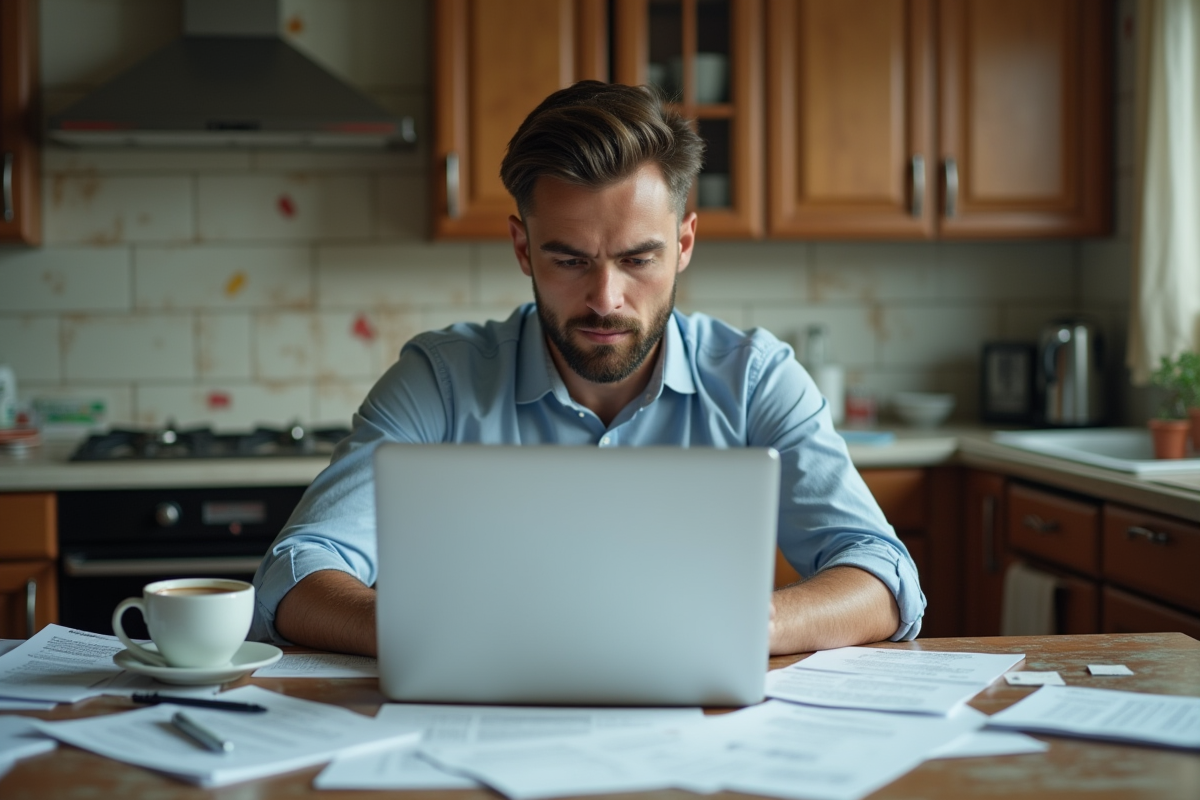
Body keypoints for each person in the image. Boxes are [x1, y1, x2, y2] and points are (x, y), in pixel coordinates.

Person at [251, 81, 924, 657]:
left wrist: (749, 623)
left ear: (684, 243)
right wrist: (432, 631)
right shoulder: (440, 382)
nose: (606, 299)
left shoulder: (756, 380)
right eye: (570, 260)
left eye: (638, 259)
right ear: (523, 247)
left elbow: (884, 577)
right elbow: (293, 573)